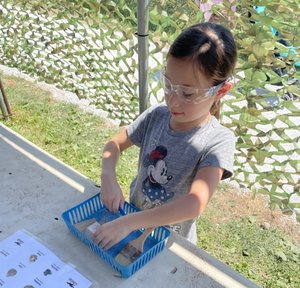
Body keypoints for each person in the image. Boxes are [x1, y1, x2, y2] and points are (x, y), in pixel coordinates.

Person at [94, 22, 237, 250]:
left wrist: (129, 223)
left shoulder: (219, 141)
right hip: (130, 225)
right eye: (168, 84)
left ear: (220, 91)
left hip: (170, 244)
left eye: (187, 93)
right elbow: (114, 144)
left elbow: (194, 203)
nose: (172, 99)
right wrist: (108, 177)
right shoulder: (157, 116)